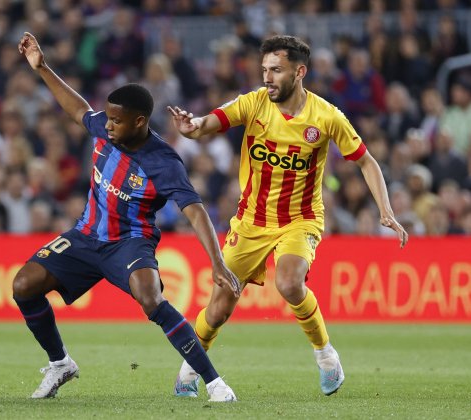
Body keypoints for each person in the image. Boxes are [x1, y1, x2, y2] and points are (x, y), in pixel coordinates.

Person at [168, 35, 409, 397]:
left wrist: (386, 211)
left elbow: (366, 161)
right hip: (250, 221)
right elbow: (211, 121)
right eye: (264, 69)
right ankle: (191, 367)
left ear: (300, 72)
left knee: (290, 282)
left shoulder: (326, 116)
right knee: (218, 308)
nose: (267, 78)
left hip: (300, 219)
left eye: (276, 70)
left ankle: (326, 356)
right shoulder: (253, 104)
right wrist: (193, 126)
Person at [13, 32, 240, 402]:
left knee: (150, 299)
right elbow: (78, 110)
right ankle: (60, 364)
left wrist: (216, 262)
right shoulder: (106, 126)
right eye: (108, 119)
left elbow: (195, 212)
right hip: (86, 235)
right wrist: (42, 68)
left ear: (139, 122)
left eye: (116, 121)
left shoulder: (163, 162)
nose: (108, 125)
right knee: (23, 285)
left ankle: (215, 383)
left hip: (130, 241)